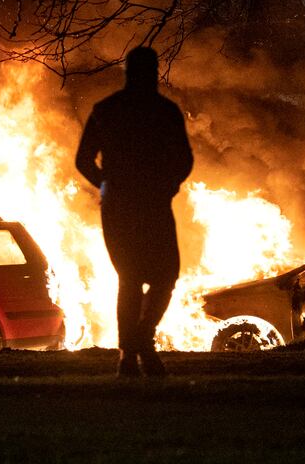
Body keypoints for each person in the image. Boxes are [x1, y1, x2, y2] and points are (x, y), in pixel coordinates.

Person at [75, 47, 193, 377]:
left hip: (124, 205)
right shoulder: (163, 110)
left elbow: (83, 160)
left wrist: (104, 184)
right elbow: (184, 160)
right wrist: (169, 184)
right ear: (152, 72)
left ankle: (134, 348)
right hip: (148, 204)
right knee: (160, 276)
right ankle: (139, 348)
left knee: (136, 278)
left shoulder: (108, 109)